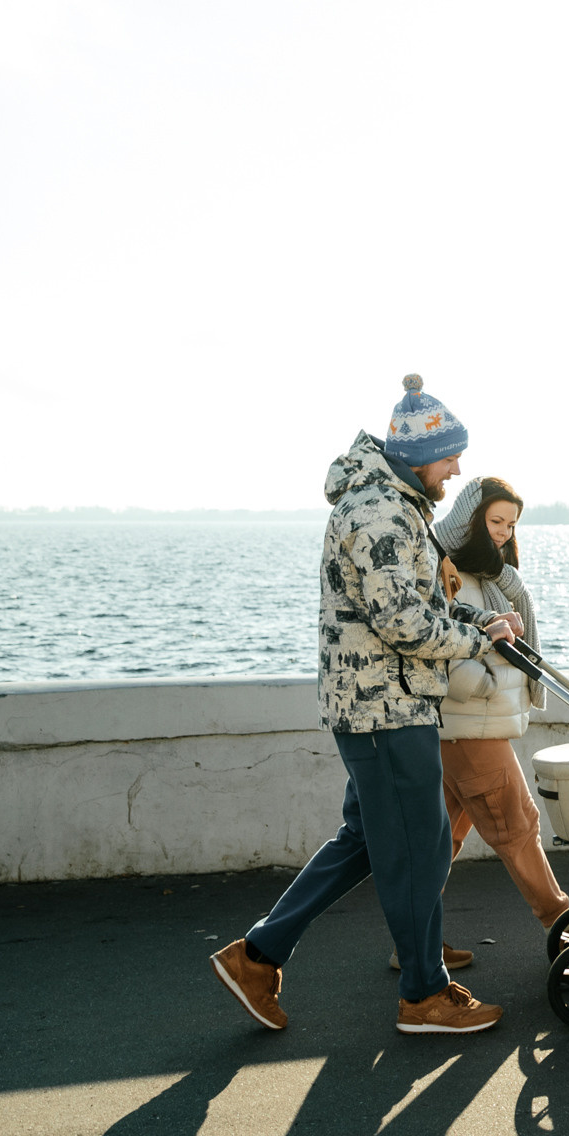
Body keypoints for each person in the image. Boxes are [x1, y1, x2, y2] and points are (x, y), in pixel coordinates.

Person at [210, 375, 519, 1035]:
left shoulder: (396, 502)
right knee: (418, 846)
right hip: (385, 708)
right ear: (417, 455)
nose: (458, 467)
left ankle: (257, 955)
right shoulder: (380, 509)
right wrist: (472, 641)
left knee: (366, 842)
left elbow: (417, 599)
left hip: (382, 702)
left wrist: (475, 618)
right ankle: (422, 994)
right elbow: (401, 620)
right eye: (450, 455)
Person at [417, 475, 569, 944]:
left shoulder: (491, 575)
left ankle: (416, 947)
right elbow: (442, 646)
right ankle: (567, 925)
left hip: (468, 726)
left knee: (441, 843)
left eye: (510, 523)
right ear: (471, 519)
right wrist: (483, 685)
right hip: (471, 726)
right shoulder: (448, 572)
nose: (504, 531)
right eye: (495, 520)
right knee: (518, 825)